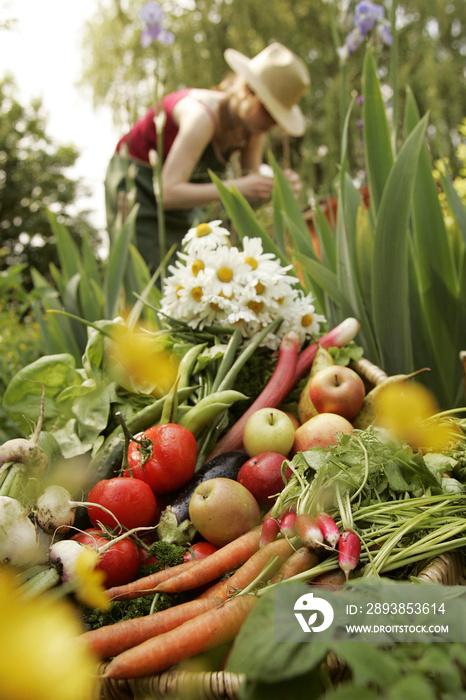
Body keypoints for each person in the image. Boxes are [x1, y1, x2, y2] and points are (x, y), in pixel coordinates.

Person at [105, 42, 310, 272]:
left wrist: (275, 189)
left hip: (184, 199)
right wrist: (236, 187)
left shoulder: (252, 130)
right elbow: (168, 192)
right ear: (248, 91)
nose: (272, 124)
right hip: (137, 183)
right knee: (145, 270)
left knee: (186, 270)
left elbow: (246, 199)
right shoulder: (202, 115)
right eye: (269, 111)